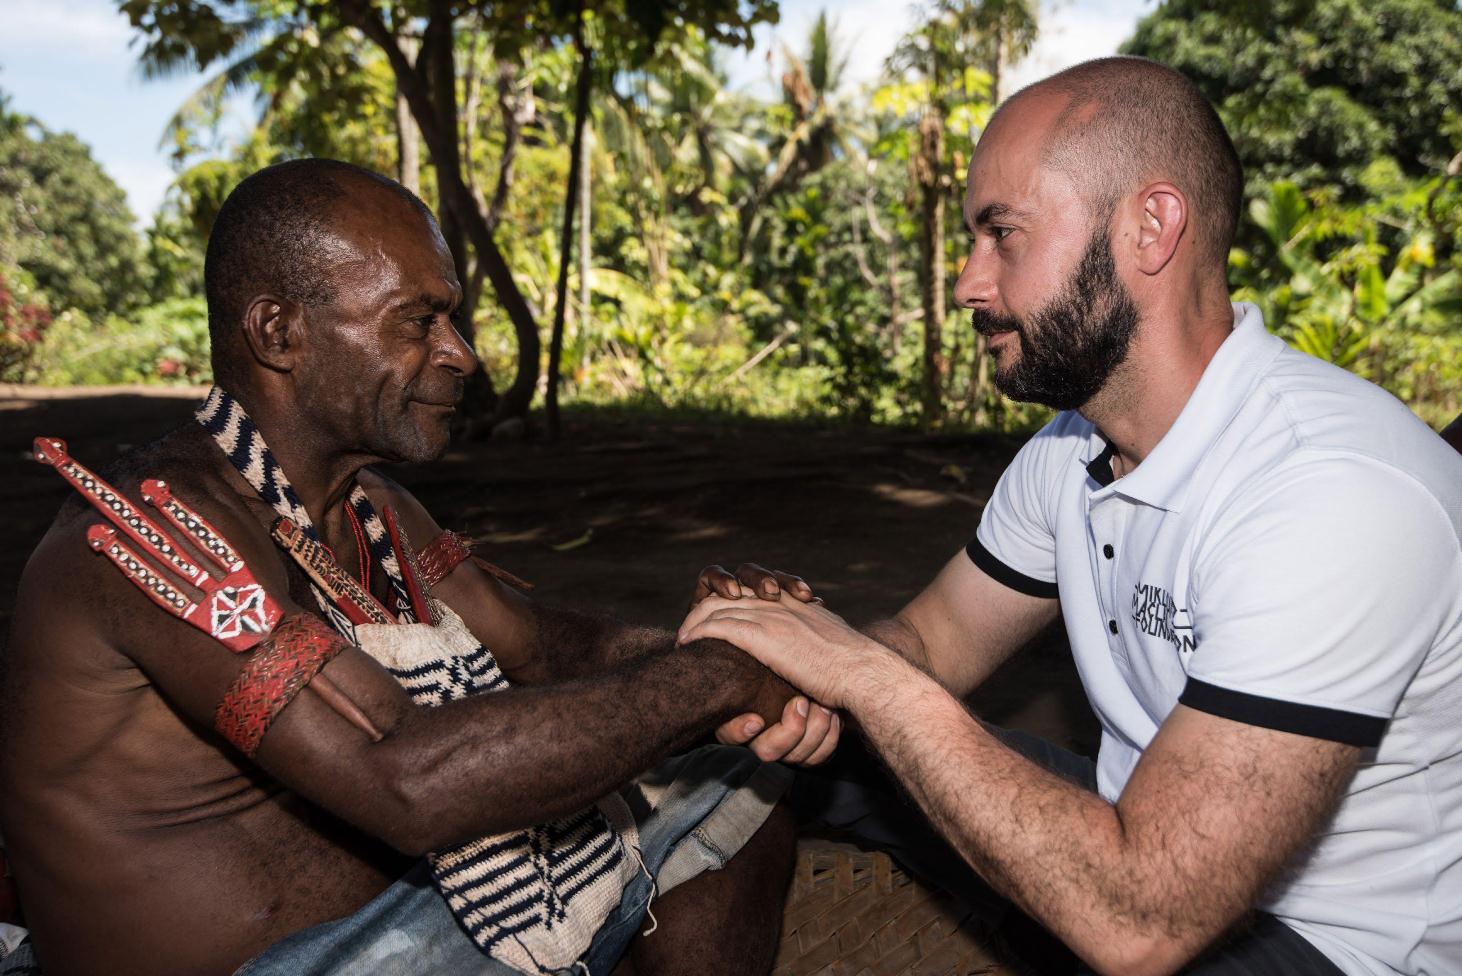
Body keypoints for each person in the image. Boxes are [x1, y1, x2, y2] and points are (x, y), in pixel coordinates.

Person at [684, 57, 1462, 976]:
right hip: (1133, 835)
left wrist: (863, 677)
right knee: (761, 762)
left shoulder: (1331, 489)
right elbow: (932, 645)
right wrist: (794, 676)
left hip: (1325, 943)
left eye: (1002, 234)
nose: (971, 285)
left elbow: (1143, 922)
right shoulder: (1069, 451)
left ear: (1152, 226)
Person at [0, 159, 834, 976]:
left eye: (452, 319)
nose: (461, 354)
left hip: (387, 926)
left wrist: (729, 638)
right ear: (278, 333)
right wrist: (719, 676)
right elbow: (405, 781)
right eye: (417, 321)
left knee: (738, 776)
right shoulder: (153, 536)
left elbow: (540, 649)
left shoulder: (373, 511)